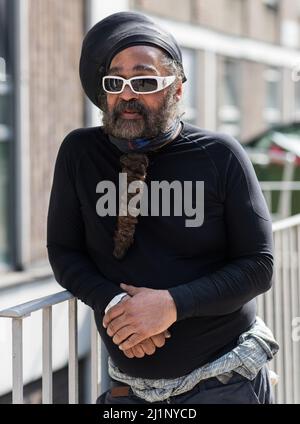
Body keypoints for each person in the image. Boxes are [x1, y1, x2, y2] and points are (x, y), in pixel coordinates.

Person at [46, 11, 279, 404]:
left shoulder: (220, 155)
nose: (127, 94)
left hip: (225, 383)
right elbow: (64, 251)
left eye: (145, 80)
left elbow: (259, 265)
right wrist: (118, 306)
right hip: (127, 389)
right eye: (115, 82)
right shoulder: (79, 153)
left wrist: (171, 306)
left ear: (177, 89)